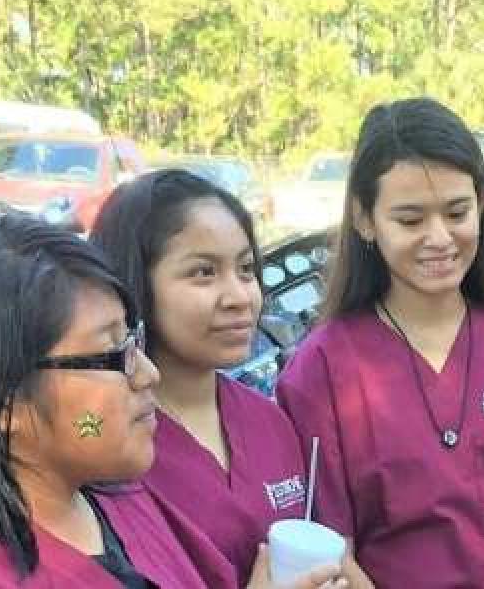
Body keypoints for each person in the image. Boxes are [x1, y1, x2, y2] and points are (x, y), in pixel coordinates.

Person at [0, 212, 309, 588]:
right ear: (2, 402)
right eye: (112, 355)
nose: (147, 374)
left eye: (132, 341)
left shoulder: (120, 500)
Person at [277, 97, 484, 588]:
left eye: (456, 212)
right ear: (365, 220)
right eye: (410, 221)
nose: (439, 238)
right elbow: (333, 549)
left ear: (480, 203)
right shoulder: (321, 370)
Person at [89, 170, 320, 587]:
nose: (239, 297)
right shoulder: (107, 448)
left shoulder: (270, 422)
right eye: (203, 273)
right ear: (134, 283)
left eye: (247, 270)